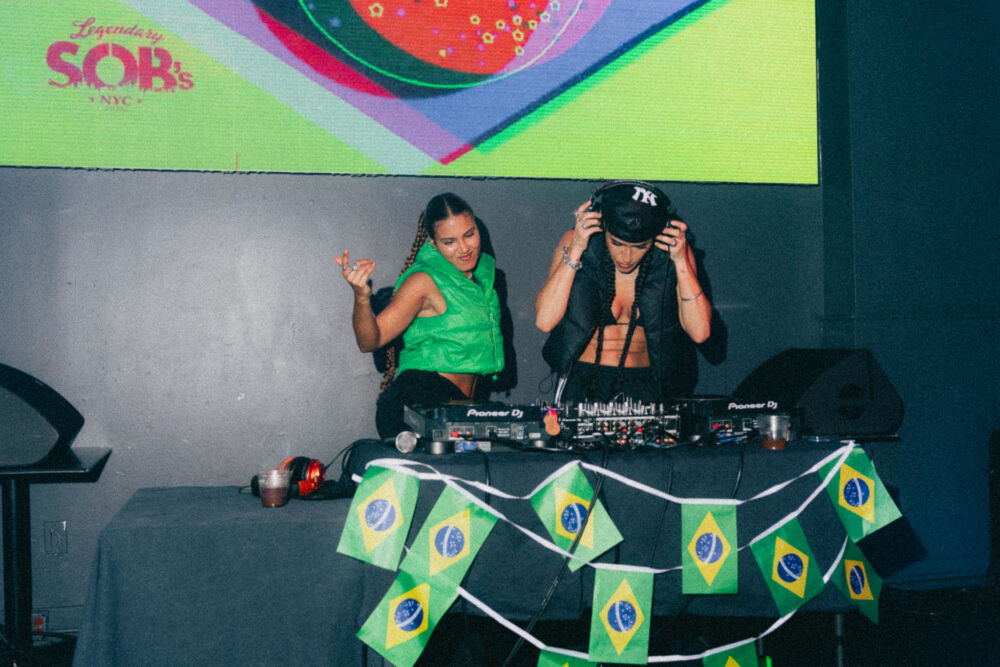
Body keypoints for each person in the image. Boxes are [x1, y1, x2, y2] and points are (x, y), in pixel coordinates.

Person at [336, 193, 504, 439]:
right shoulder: (423, 281)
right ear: (433, 244)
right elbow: (370, 340)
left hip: (462, 403)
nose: (464, 248)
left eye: (469, 234)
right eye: (449, 241)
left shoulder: (482, 278)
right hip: (419, 400)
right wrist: (361, 298)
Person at [535, 180, 711, 404]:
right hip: (582, 380)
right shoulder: (577, 241)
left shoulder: (673, 252)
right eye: (617, 243)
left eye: (640, 247)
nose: (627, 257)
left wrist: (681, 261)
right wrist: (577, 248)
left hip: (645, 384)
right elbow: (545, 321)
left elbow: (700, 332)